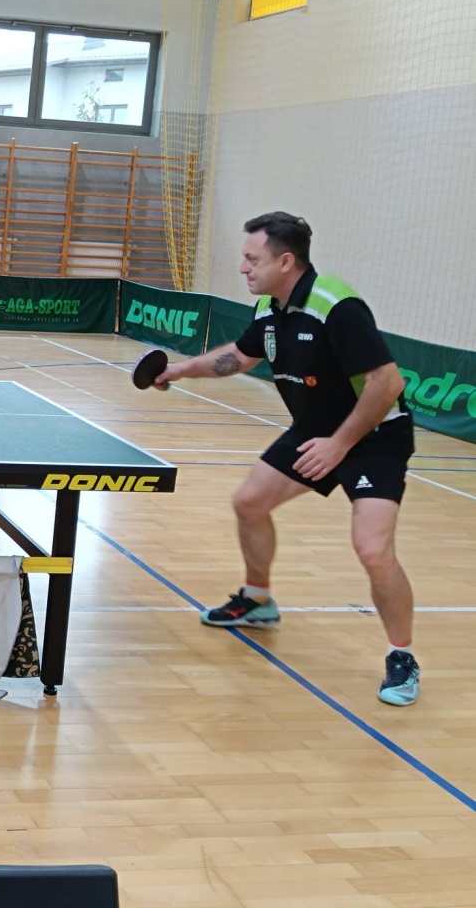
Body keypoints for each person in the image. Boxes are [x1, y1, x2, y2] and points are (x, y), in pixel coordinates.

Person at [150, 212, 419, 706]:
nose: (243, 268)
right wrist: (182, 369)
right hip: (315, 430)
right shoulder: (271, 309)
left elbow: (387, 383)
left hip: (375, 437)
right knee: (250, 502)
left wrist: (340, 444)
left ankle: (402, 656)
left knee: (373, 550)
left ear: (286, 261)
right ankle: (258, 599)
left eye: (252, 259)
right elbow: (240, 357)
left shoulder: (336, 306)